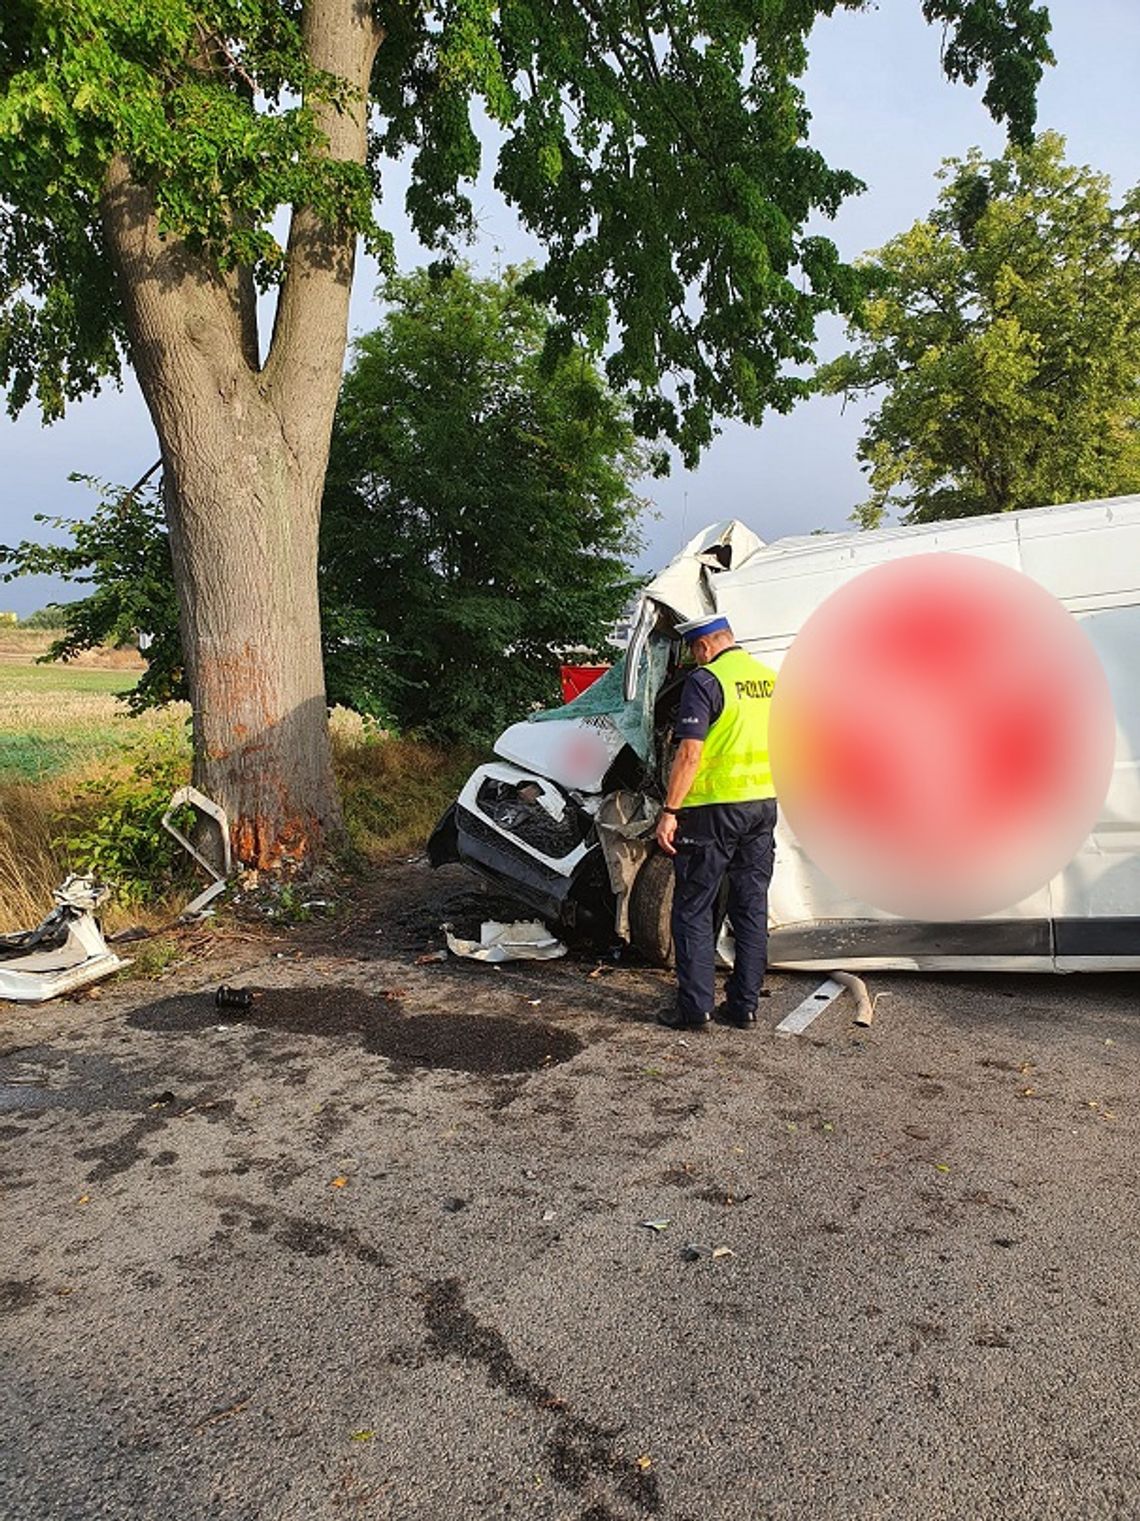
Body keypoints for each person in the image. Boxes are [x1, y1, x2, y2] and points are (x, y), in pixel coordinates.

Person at [654, 613, 778, 1030]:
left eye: (693, 651)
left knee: (693, 907)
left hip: (712, 811)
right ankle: (743, 1006)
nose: (695, 659)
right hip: (762, 806)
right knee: (751, 906)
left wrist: (669, 811)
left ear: (704, 646)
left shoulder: (706, 682)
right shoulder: (768, 679)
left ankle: (694, 1009)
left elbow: (690, 754)